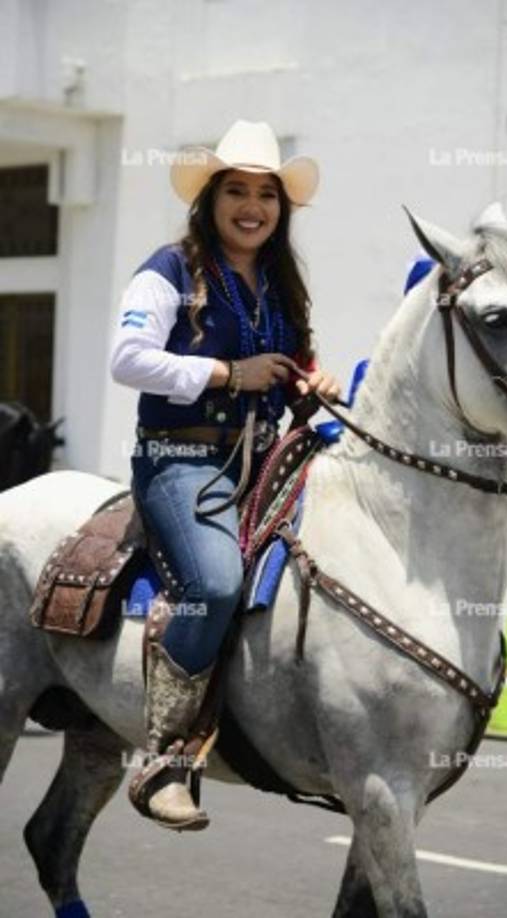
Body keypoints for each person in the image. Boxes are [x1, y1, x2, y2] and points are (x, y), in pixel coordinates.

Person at [110, 119, 341, 830]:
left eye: (266, 194)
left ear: (281, 207)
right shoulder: (169, 269)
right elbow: (127, 358)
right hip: (180, 462)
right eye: (236, 191)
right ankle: (163, 762)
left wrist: (312, 381)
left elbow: (288, 371)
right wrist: (225, 372)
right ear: (209, 200)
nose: (252, 206)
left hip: (264, 459)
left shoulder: (279, 283)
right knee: (213, 583)